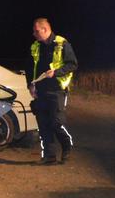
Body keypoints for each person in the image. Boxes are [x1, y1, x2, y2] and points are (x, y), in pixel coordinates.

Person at [26, 18, 78, 164]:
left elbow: (72, 65)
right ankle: (49, 156)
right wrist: (30, 85)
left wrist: (56, 72)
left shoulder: (62, 44)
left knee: (57, 122)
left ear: (45, 29)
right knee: (43, 124)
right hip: (41, 91)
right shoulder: (36, 46)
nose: (34, 34)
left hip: (57, 90)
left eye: (36, 31)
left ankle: (67, 146)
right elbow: (30, 67)